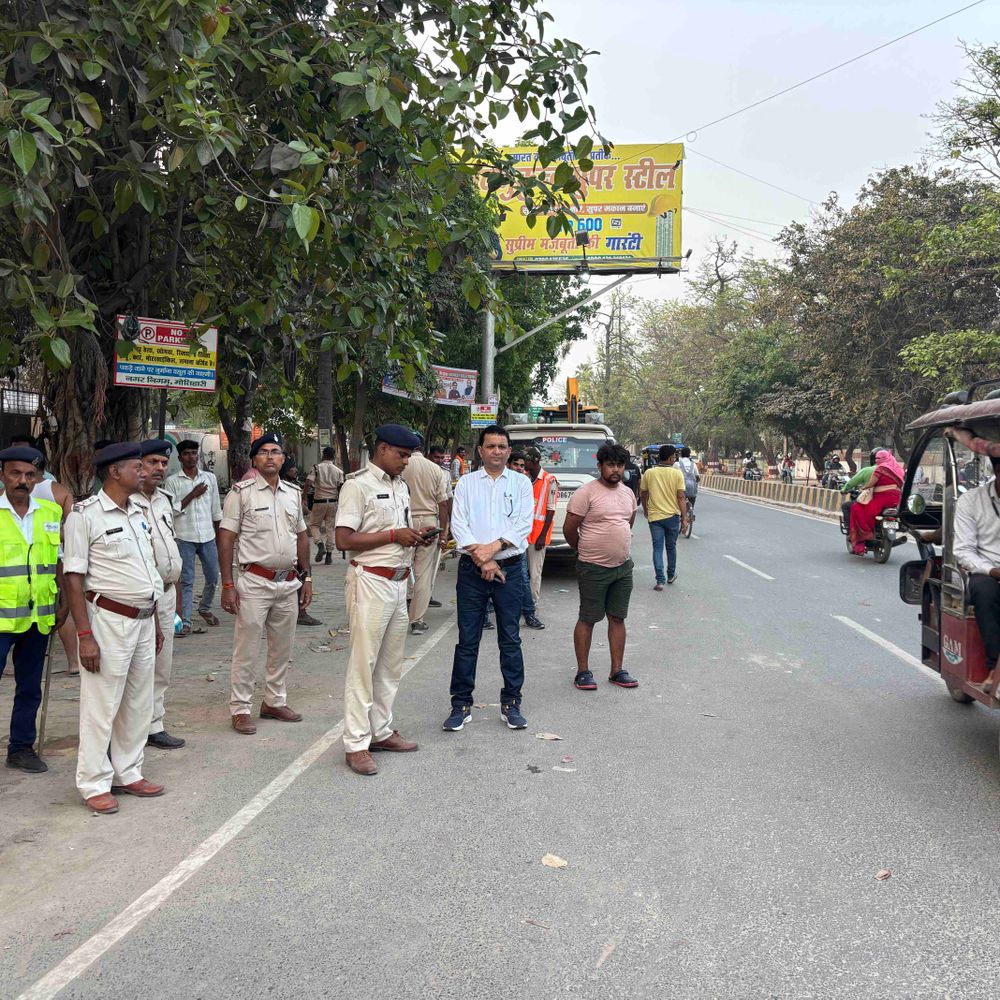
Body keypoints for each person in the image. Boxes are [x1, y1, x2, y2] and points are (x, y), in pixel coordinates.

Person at [63, 443, 166, 814]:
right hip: (107, 620)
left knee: (138, 701)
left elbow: (148, 573)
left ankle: (128, 771)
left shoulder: (139, 511)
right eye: (137, 467)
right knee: (101, 704)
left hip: (142, 619)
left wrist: (154, 621)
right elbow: (74, 579)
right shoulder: (84, 515)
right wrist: (84, 635)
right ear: (114, 472)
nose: (145, 472)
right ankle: (93, 782)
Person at [336, 424, 433, 775]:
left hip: (397, 582)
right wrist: (394, 534)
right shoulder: (357, 485)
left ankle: (380, 730)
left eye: (409, 456)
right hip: (370, 582)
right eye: (402, 455)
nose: (406, 462)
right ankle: (356, 743)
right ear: (382, 449)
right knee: (363, 665)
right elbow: (344, 540)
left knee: (390, 666)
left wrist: (413, 537)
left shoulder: (400, 487)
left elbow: (395, 534)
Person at [218, 432, 312, 735]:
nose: (270, 457)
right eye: (264, 452)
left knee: (282, 648)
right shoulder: (241, 493)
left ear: (284, 459)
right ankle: (241, 708)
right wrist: (228, 584)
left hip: (287, 583)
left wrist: (306, 577)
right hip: (254, 582)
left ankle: (274, 701)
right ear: (254, 460)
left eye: (276, 452)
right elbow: (226, 538)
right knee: (246, 649)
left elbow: (301, 536)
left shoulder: (292, 493)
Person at [442, 425, 533, 733]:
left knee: (510, 638)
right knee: (467, 640)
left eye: (502, 446)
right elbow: (459, 524)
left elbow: (523, 524)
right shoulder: (466, 483)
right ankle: (461, 704)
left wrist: (492, 551)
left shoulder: (521, 483)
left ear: (509, 451)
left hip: (510, 568)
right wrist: (483, 559)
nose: (496, 451)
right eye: (491, 446)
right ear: (480, 450)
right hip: (472, 571)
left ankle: (511, 703)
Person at [0, 446, 64, 773]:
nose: (22, 481)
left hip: (39, 616)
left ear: (37, 478)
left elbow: (59, 562)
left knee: (29, 688)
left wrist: (62, 602)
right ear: (3, 476)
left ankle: (21, 748)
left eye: (29, 475)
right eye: (15, 473)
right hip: (0, 619)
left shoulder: (50, 514)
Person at [563, 443, 639, 692]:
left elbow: (628, 522)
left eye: (620, 465)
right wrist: (584, 551)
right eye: (610, 465)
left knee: (618, 618)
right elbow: (570, 529)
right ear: (600, 466)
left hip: (622, 568)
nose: (616, 470)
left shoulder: (627, 493)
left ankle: (617, 670)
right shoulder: (586, 493)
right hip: (592, 568)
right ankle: (583, 672)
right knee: (588, 618)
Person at [135, 440, 185, 750]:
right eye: (153, 462)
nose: (159, 468)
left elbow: (171, 550)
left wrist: (177, 599)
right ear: (136, 465)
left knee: (162, 663)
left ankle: (155, 724)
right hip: (139, 597)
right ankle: (134, 729)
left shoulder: (165, 500)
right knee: (139, 665)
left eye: (164, 463)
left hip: (166, 593)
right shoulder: (128, 502)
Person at [953, 448, 1000, 694]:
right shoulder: (971, 500)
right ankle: (995, 667)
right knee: (984, 591)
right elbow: (964, 551)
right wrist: (993, 571)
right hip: (988, 571)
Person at [165, 439, 222, 636]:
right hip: (184, 536)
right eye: (187, 454)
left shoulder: (209, 478)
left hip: (207, 535)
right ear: (180, 457)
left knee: (213, 576)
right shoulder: (172, 481)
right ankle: (186, 621)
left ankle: (204, 607)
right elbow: (171, 511)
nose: (191, 457)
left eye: (194, 453)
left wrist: (220, 536)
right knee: (187, 580)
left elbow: (216, 510)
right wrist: (192, 494)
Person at [402, 441, 451, 635]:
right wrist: (444, 531)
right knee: (423, 572)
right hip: (429, 522)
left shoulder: (401, 465)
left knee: (402, 567)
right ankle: (417, 620)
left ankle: (401, 608)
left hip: (404, 521)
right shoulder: (436, 470)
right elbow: (444, 504)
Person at [640, 444, 688, 590]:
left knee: (657, 548)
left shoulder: (649, 473)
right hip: (672, 517)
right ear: (669, 458)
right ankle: (671, 575)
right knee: (671, 547)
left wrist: (646, 509)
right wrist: (684, 518)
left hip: (655, 518)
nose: (674, 459)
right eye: (673, 456)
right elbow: (681, 497)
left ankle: (660, 580)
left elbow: (643, 493)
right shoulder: (677, 473)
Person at [522, 446, 556, 629]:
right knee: (521, 573)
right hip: (522, 535)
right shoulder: (525, 478)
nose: (523, 464)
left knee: (534, 573)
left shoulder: (549, 480)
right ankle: (522, 603)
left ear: (534, 461)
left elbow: (550, 510)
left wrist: (543, 535)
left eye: (526, 461)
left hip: (537, 536)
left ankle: (532, 606)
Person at [847, 449, 904, 555]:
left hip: (882, 497)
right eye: (876, 458)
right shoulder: (898, 469)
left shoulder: (881, 468)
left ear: (884, 458)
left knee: (857, 508)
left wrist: (864, 488)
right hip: (895, 498)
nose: (877, 460)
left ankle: (864, 536)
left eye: (879, 458)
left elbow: (871, 483)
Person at [306, 446, 344, 565]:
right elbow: (341, 488)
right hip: (333, 502)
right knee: (330, 528)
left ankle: (319, 544)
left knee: (313, 525)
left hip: (319, 502)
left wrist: (303, 496)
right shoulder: (339, 471)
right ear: (333, 456)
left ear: (323, 455)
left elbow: (308, 482)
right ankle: (329, 555)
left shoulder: (316, 468)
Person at [677, 446, 700, 511]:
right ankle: (691, 509)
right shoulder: (693, 464)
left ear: (681, 454)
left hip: (680, 488)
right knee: (693, 497)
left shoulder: (677, 464)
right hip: (691, 489)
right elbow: (697, 477)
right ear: (689, 454)